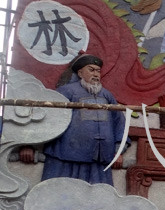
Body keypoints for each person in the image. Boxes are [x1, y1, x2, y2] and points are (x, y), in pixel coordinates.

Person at [19, 52, 128, 186]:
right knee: (57, 190)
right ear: (80, 73)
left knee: (98, 194)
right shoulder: (66, 92)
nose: (96, 74)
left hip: (98, 159)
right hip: (65, 157)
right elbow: (45, 117)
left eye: (98, 71)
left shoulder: (107, 96)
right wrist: (28, 145)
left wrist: (118, 151)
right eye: (91, 70)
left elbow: (119, 124)